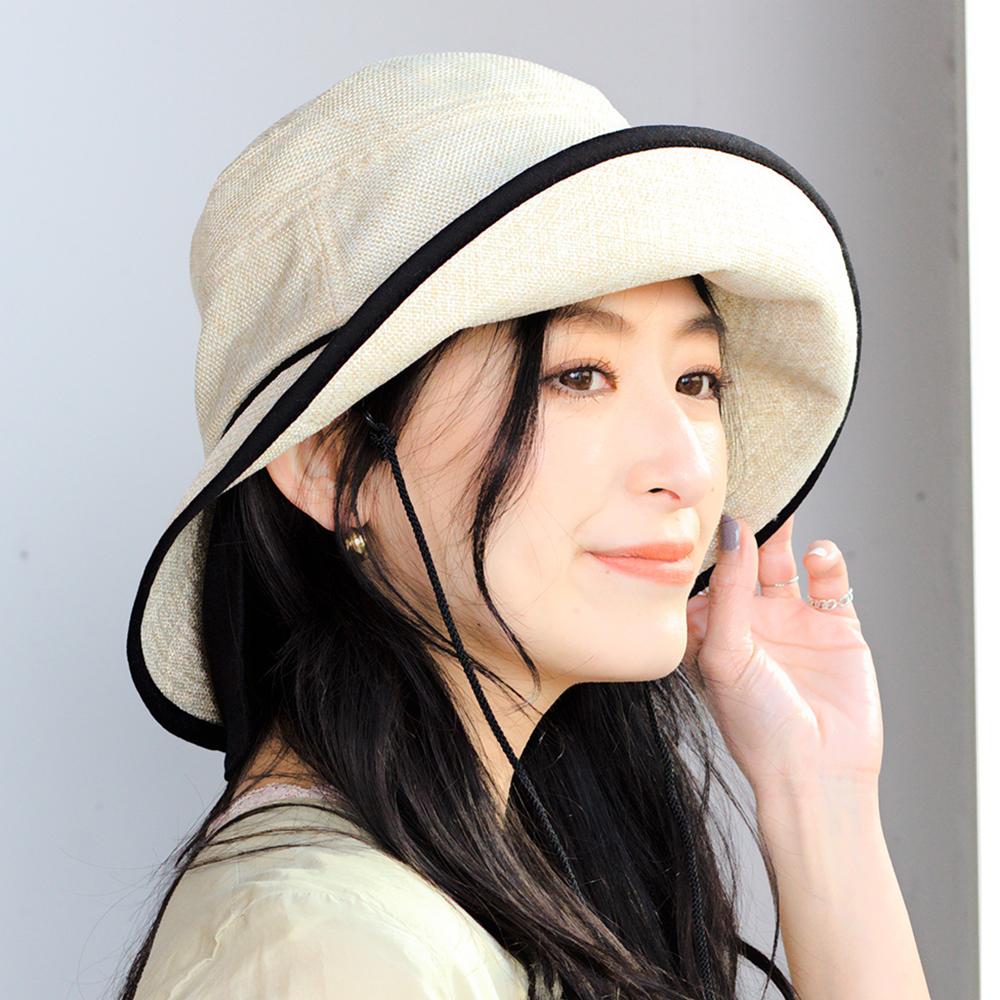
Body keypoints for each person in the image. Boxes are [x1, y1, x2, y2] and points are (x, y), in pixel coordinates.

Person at [118, 52, 931, 999]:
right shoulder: (328, 952)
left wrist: (819, 792)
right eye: (579, 376)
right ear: (333, 463)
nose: (684, 469)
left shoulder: (475, 888)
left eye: (697, 381)